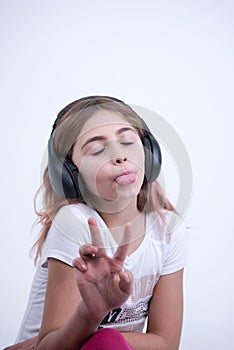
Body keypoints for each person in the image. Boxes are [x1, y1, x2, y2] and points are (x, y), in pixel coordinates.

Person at [5, 96, 187, 350]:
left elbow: (166, 344)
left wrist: (93, 334)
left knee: (108, 342)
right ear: (70, 175)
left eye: (127, 141)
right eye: (97, 149)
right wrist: (90, 315)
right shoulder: (74, 222)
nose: (120, 156)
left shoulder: (167, 228)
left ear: (149, 153)